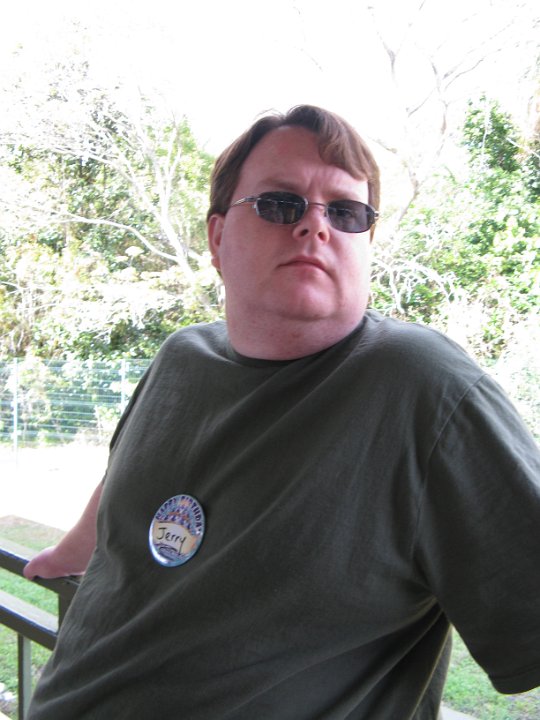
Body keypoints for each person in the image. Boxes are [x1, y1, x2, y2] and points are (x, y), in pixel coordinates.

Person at [24, 105, 540, 720]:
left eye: (346, 212)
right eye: (280, 203)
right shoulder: (181, 359)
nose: (315, 225)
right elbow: (133, 476)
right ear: (218, 238)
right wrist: (73, 549)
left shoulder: (426, 388)